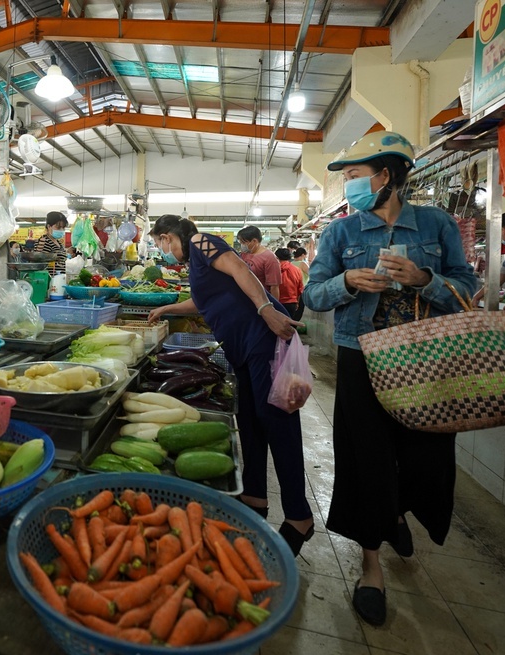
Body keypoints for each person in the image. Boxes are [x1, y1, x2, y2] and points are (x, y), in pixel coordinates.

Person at [303, 131, 477, 627]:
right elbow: (313, 294)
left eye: (354, 176)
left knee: (428, 457)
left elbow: (466, 287)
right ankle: (371, 565)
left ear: (386, 175)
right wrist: (346, 282)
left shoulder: (437, 225)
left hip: (428, 357)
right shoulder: (341, 233)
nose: (348, 186)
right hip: (363, 357)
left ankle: (399, 508)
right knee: (367, 460)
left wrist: (426, 279)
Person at [147, 215, 314, 556]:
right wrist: (167, 307)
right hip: (241, 348)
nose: (162, 251)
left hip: (261, 339)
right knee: (250, 422)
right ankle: (254, 496)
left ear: (167, 237)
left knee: (277, 422)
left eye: (160, 243)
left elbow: (240, 269)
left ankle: (299, 515)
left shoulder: (199, 241)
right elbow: (203, 302)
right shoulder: (195, 263)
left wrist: (266, 308)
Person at [237, 225, 281, 299]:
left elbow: (274, 287)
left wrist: (274, 307)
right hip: (243, 298)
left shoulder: (269, 258)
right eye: (240, 242)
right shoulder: (243, 254)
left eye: (244, 242)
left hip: (260, 300)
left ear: (254, 241)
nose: (242, 245)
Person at [33, 211, 69, 276]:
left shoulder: (58, 243)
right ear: (49, 226)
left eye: (63, 228)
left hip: (59, 279)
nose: (61, 230)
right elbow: (40, 265)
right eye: (58, 227)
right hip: (49, 281)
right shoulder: (44, 241)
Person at [275, 248, 304, 321]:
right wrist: (297, 302)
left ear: (276, 257)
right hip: (292, 303)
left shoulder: (274, 269)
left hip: (277, 302)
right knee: (290, 326)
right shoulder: (297, 270)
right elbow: (300, 289)